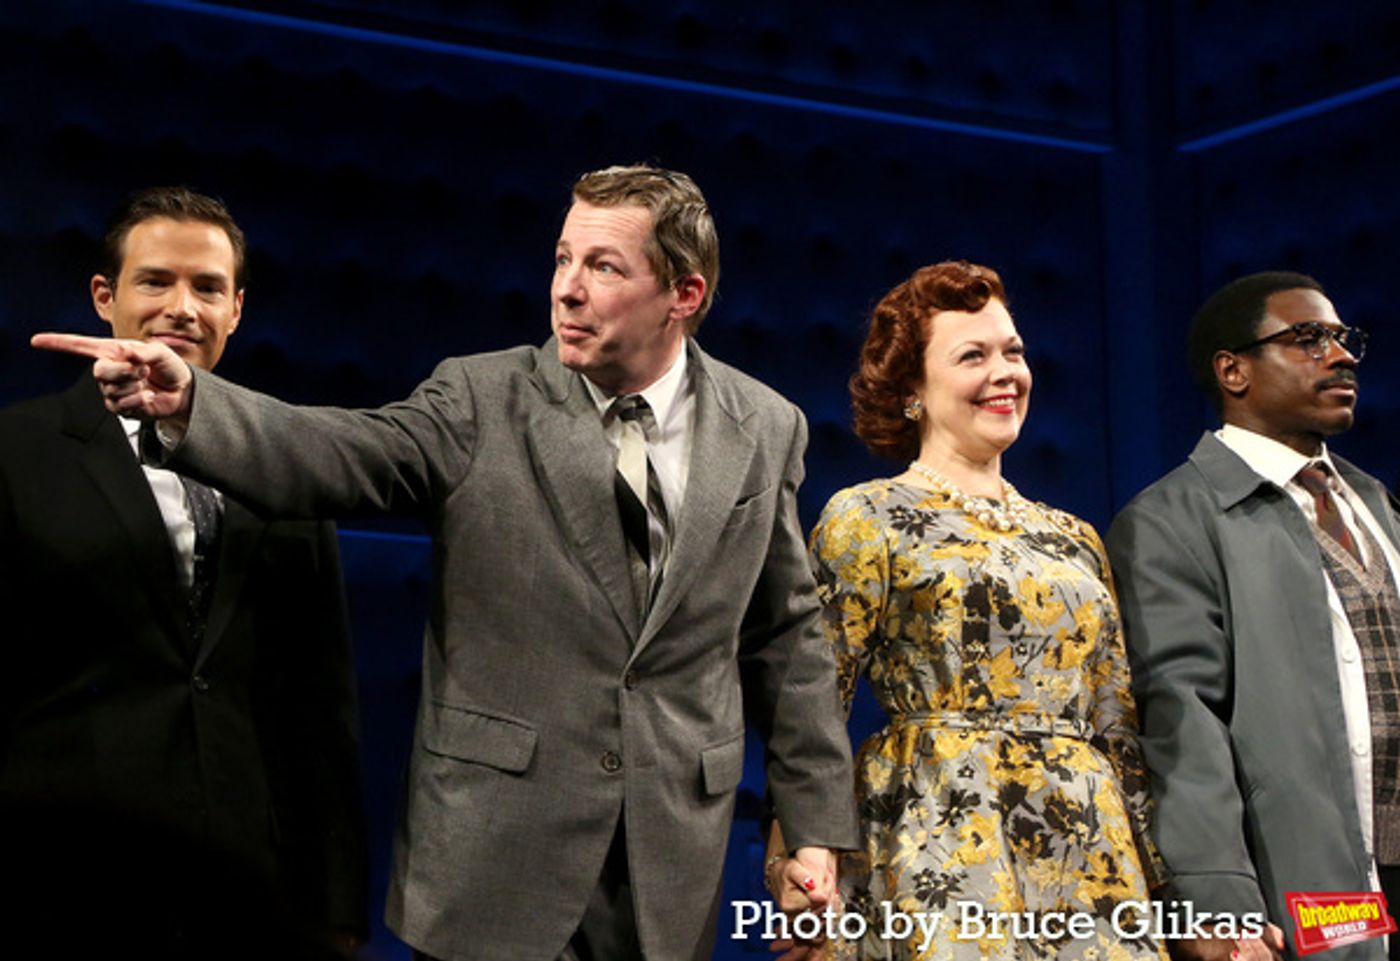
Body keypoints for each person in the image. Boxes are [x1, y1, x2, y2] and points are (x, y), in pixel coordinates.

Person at [35, 164, 859, 961]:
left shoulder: (764, 426)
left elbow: (786, 640)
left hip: (668, 865)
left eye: (602, 266)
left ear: (686, 294)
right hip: (497, 861)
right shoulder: (478, 399)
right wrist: (192, 403)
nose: (566, 288)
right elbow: (340, 450)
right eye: (562, 259)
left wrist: (813, 831)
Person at [0, 187, 367, 957]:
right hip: (57, 876)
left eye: (207, 287)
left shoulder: (288, 463)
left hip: (244, 883)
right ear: (105, 296)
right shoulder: (16, 451)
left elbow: (320, 707)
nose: (182, 307)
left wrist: (337, 909)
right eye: (155, 280)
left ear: (237, 309)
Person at [796, 260, 1166, 959]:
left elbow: (1118, 727)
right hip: (938, 832)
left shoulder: (1072, 535)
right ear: (913, 388)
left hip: (1089, 848)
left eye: (1013, 352)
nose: (1005, 373)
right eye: (974, 355)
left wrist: (1176, 892)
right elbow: (812, 709)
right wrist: (800, 870)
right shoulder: (867, 516)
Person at [1106, 271, 1397, 961]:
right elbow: (1183, 724)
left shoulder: (1374, 502)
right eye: (1307, 339)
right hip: (1315, 881)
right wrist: (1218, 902)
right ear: (1233, 370)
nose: (1342, 354)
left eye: (1343, 337)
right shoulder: (1171, 519)